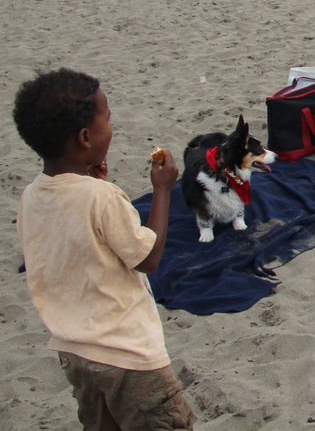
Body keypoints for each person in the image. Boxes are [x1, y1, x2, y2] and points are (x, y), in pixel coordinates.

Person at [13, 69, 196, 429]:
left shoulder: (32, 196)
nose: (111, 128)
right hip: (129, 357)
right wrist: (162, 191)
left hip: (76, 351)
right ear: (85, 138)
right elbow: (148, 257)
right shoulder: (102, 197)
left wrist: (90, 179)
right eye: (107, 121)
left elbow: (75, 238)